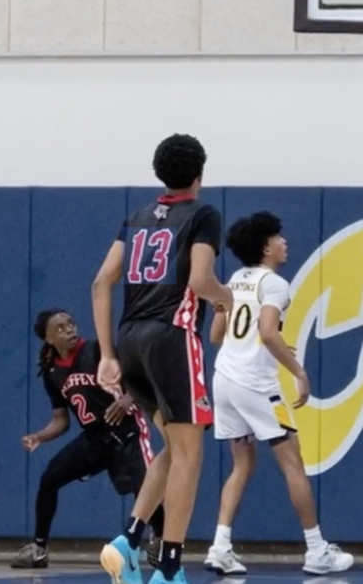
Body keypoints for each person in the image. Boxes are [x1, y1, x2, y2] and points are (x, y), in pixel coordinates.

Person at [93, 134, 234, 584]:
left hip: (130, 338)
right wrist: (227, 298)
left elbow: (100, 284)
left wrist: (107, 356)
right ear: (199, 174)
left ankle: (129, 541)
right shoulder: (203, 214)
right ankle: (170, 568)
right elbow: (199, 279)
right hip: (171, 337)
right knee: (191, 456)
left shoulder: (135, 218)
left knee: (174, 447)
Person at [202, 211, 354, 577]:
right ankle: (317, 550)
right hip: (257, 385)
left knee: (242, 464)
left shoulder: (236, 278)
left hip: (224, 379)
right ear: (265, 245)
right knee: (292, 464)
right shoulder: (275, 284)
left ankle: (220, 547)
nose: (285, 242)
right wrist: (298, 371)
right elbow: (269, 332)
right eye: (278, 237)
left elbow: (217, 335)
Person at [12, 309, 165, 571]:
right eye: (60, 328)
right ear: (48, 338)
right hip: (95, 437)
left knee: (144, 484)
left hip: (127, 430)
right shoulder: (52, 373)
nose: (69, 329)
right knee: (50, 478)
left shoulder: (97, 351)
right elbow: (62, 420)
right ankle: (39, 548)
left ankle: (160, 539)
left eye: (71, 323)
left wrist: (128, 399)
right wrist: (40, 436)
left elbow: (142, 377)